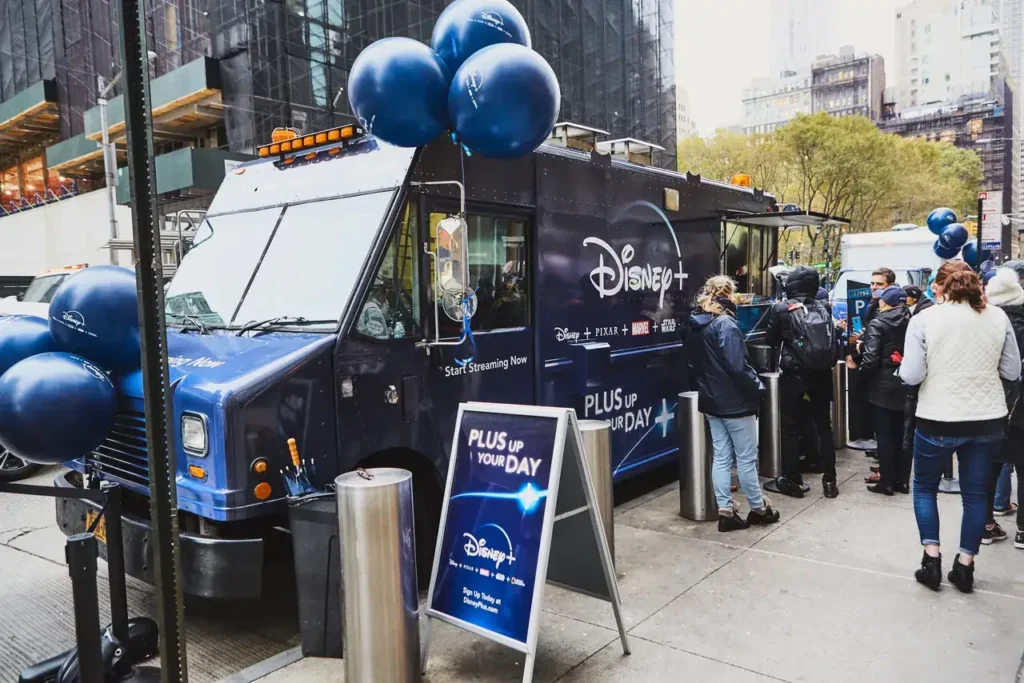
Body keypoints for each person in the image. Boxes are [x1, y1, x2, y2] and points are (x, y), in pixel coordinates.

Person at [899, 261, 1021, 593]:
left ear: (941, 286)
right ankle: (965, 566)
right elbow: (1012, 371)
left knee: (924, 487)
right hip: (986, 419)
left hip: (937, 416)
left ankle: (931, 560)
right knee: (976, 494)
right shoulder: (998, 317)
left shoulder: (924, 319)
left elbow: (910, 375)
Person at [688, 276, 780, 531]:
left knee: (721, 456)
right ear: (730, 294)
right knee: (746, 459)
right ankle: (759, 508)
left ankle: (726, 511)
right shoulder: (726, 323)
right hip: (735, 402)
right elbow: (738, 366)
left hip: (711, 400)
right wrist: (757, 387)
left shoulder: (697, 323)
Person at [765, 265, 839, 499]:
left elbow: (771, 339)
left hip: (794, 374)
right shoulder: (823, 307)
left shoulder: (782, 308)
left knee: (790, 428)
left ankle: (792, 480)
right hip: (822, 373)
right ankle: (830, 480)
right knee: (824, 427)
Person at [850, 285, 911, 495]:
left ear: (884, 302)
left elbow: (870, 359)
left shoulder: (879, 322)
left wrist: (863, 379)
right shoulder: (913, 320)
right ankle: (902, 480)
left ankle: (886, 481)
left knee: (884, 435)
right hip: (905, 381)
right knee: (902, 434)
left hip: (882, 384)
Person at [982, 268, 1024, 546]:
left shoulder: (983, 324)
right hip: (1020, 407)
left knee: (988, 467)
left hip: (989, 406)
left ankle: (985, 524)